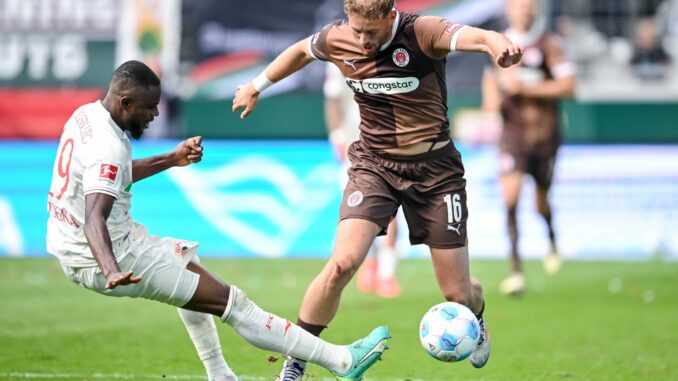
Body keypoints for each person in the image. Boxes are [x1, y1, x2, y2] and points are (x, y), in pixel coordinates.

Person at [46, 60, 390, 381]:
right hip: (112, 255)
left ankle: (220, 375)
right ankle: (342, 360)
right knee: (232, 303)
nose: (155, 114)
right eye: (149, 107)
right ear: (124, 102)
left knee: (185, 257)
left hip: (74, 244)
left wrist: (172, 158)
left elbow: (109, 176)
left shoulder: (86, 116)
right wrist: (111, 269)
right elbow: (95, 215)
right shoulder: (109, 145)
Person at [233, 0, 523, 378]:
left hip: (436, 174)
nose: (363, 40)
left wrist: (498, 44)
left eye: (371, 31)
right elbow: (300, 52)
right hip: (375, 167)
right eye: (357, 31)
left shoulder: (423, 32)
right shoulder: (340, 37)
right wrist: (257, 85)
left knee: (458, 294)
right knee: (341, 265)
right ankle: (296, 361)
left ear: (390, 17)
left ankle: (477, 315)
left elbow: (479, 36)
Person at [482, 0, 576, 295]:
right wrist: (496, 95)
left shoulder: (548, 45)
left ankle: (551, 238)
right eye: (518, 5)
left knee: (540, 203)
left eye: (528, 5)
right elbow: (490, 100)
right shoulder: (497, 45)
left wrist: (525, 88)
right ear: (508, 10)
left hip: (545, 138)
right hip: (513, 137)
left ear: (535, 9)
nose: (523, 10)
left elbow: (570, 86)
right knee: (509, 199)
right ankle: (516, 270)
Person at [324, 63, 401, 298]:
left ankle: (387, 274)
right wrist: (336, 135)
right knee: (358, 210)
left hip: (386, 145)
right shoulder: (338, 55)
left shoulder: (391, 51)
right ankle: (372, 263)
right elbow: (332, 99)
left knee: (390, 211)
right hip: (352, 145)